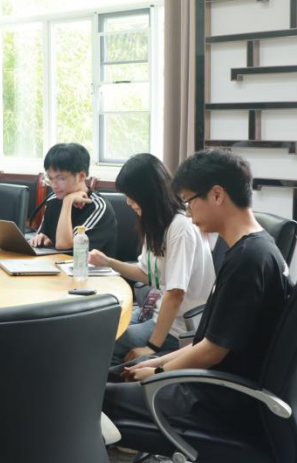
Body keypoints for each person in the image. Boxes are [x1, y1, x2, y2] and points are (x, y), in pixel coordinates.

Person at [103, 149, 292, 437]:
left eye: (190, 201)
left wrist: (157, 374)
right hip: (210, 382)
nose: (189, 213)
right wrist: (156, 362)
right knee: (114, 375)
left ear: (216, 195)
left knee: (92, 394)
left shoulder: (248, 261)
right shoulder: (254, 248)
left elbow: (211, 353)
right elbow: (209, 342)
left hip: (211, 399)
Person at [88, 154, 215, 364]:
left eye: (131, 196)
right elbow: (146, 273)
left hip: (178, 328)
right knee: (98, 328)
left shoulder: (180, 227)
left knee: (99, 340)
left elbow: (175, 294)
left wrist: (151, 347)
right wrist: (108, 262)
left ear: (148, 194)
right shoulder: (157, 223)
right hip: (156, 314)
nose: (128, 202)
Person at [29, 143, 117, 254]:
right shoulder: (53, 200)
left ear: (81, 176)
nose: (54, 185)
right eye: (50, 178)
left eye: (61, 178)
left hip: (87, 265)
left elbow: (64, 245)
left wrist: (67, 202)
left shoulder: (98, 207)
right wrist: (42, 240)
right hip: (57, 262)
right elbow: (44, 236)